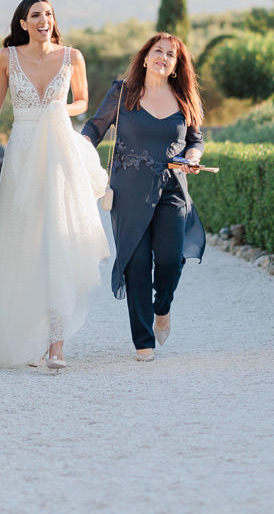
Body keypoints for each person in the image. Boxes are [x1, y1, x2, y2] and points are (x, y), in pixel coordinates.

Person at [0, 0, 109, 369]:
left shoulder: (72, 57)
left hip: (59, 150)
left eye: (48, 14)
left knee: (58, 239)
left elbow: (82, 101)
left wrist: (59, 109)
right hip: (24, 152)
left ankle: (57, 343)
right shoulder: (7, 59)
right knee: (24, 243)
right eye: (36, 15)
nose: (44, 19)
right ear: (23, 23)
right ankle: (28, 337)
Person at [81, 32, 205, 362]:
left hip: (171, 190)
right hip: (128, 192)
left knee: (169, 260)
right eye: (158, 51)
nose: (164, 57)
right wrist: (76, 152)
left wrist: (192, 156)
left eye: (171, 55)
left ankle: (162, 307)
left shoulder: (184, 100)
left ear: (177, 65)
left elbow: (195, 140)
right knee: (136, 265)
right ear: (146, 56)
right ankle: (143, 341)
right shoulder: (123, 93)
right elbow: (95, 127)